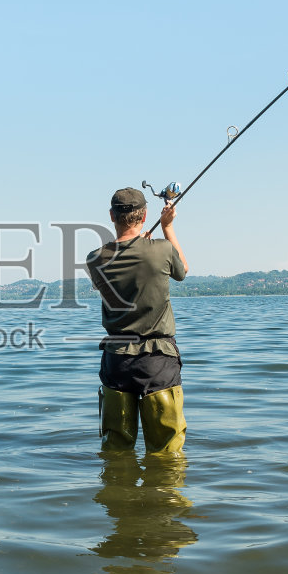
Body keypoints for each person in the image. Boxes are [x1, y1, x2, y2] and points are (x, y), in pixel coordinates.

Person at [86, 187, 188, 455]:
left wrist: (141, 245)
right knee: (167, 452)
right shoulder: (162, 250)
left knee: (115, 450)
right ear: (144, 216)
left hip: (117, 360)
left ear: (112, 216)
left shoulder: (94, 259)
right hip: (157, 360)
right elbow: (182, 271)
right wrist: (167, 228)